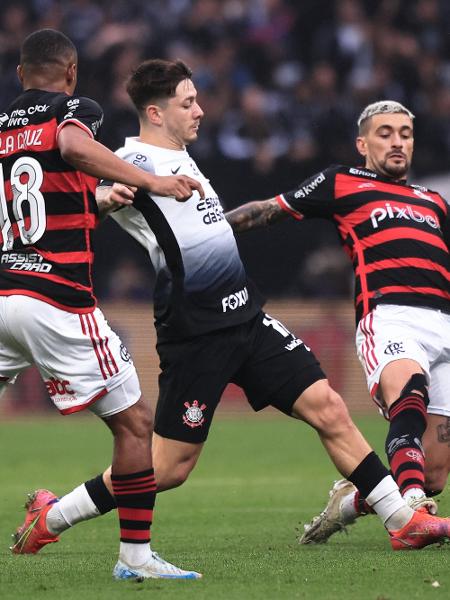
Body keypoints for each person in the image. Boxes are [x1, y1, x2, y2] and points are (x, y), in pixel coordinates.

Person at [13, 63, 450, 554]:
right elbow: (79, 196)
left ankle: (402, 520)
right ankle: (52, 516)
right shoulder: (132, 160)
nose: (200, 110)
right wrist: (104, 197)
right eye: (187, 103)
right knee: (168, 467)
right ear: (155, 112)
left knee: (327, 406)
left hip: (246, 314)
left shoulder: (182, 155)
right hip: (196, 329)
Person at [1, 29, 203, 580]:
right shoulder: (76, 109)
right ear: (71, 73)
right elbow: (69, 146)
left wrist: (96, 199)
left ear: (20, 76)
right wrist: (151, 181)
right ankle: (135, 560)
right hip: (58, 300)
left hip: (5, 296)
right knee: (136, 427)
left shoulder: (2, 130)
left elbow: (33, 193)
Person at [224, 100, 450, 544]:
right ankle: (414, 516)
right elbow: (270, 209)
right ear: (363, 143)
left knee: (435, 469)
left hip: (443, 322)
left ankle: (349, 504)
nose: (397, 141)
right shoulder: (343, 181)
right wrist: (207, 231)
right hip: (389, 316)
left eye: (404, 133)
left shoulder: (435, 203)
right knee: (410, 398)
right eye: (385, 133)